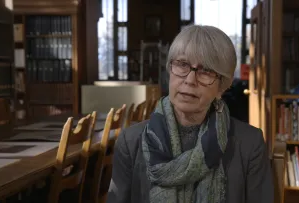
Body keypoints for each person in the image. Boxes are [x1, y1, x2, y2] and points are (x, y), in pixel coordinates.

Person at [107, 25, 273, 203]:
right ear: (170, 70)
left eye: (206, 71)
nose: (190, 80)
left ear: (222, 86)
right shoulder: (130, 142)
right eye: (182, 64)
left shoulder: (250, 144)